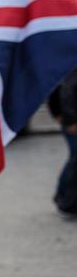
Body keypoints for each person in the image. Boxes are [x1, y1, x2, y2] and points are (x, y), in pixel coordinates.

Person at [50, 68, 77, 218]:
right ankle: (65, 200)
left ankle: (64, 196)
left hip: (68, 118)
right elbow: (66, 91)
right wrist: (70, 120)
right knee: (75, 159)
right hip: (72, 122)